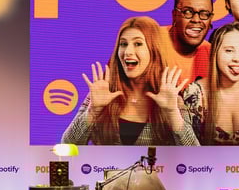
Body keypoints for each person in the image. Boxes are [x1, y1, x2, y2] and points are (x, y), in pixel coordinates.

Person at [61, 16, 199, 146]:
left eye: (138, 44)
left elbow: (194, 155)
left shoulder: (172, 99)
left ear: (154, 50)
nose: (127, 51)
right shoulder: (102, 93)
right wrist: (93, 111)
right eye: (123, 44)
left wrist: (172, 113)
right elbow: (67, 145)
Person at [182, 23, 239, 145]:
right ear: (215, 54)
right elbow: (186, 147)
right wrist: (170, 111)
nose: (237, 58)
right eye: (229, 50)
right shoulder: (195, 93)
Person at [159, 0, 214, 85]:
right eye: (188, 12)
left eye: (204, 14)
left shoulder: (213, 55)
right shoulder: (151, 41)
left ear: (210, 19)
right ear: (174, 15)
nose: (196, 19)